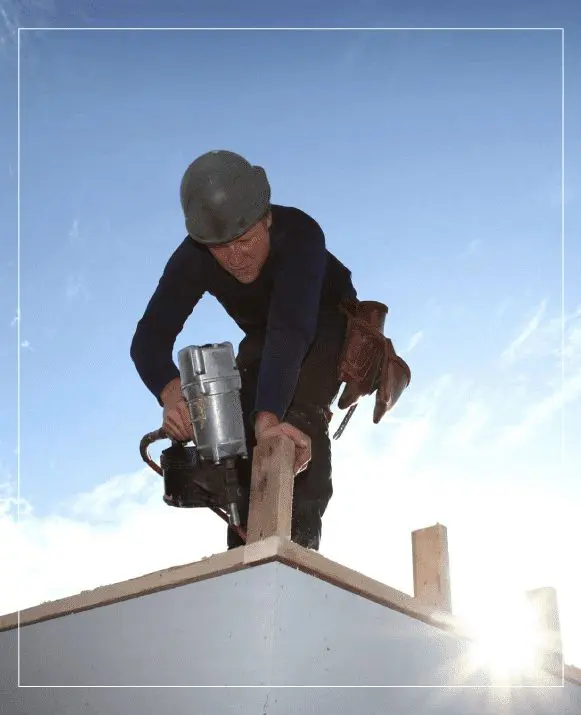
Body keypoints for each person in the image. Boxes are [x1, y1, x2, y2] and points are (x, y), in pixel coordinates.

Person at [130, 149, 410, 551]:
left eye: (244, 241)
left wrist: (269, 422)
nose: (234, 257)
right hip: (265, 338)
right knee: (241, 430)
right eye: (220, 248)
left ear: (266, 218)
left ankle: (298, 542)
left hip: (324, 321)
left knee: (292, 418)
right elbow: (148, 340)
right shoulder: (194, 255)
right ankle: (244, 549)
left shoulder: (300, 234)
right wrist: (173, 396)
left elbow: (291, 330)